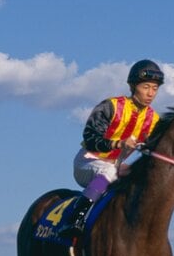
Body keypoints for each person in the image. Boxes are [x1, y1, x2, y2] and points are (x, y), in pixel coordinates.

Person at [57, 59, 164, 237]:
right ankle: (75, 218)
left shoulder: (153, 120)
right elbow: (90, 138)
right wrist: (118, 143)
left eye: (155, 88)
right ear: (132, 86)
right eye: (146, 87)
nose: (150, 93)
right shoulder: (110, 106)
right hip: (87, 162)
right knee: (108, 172)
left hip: (115, 166)